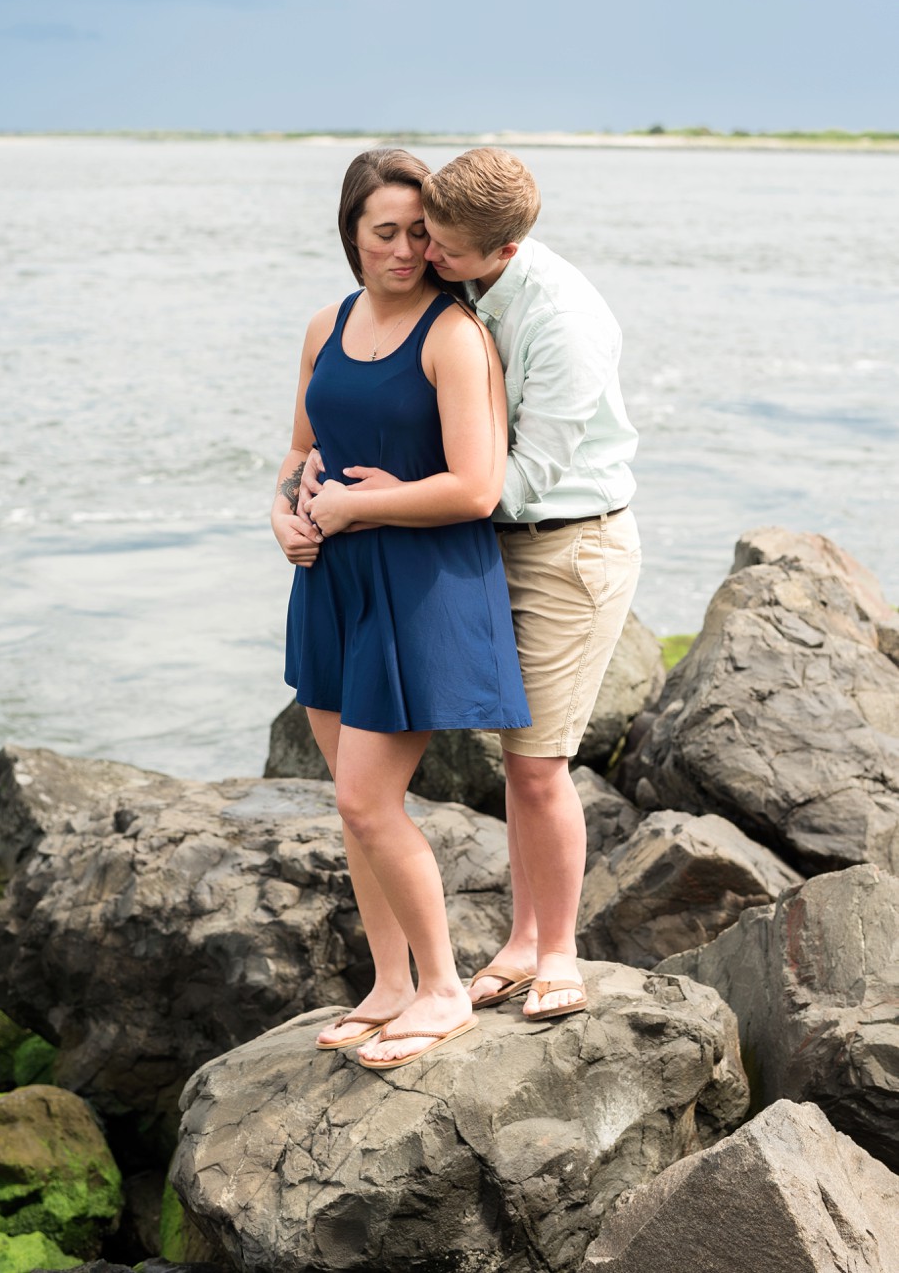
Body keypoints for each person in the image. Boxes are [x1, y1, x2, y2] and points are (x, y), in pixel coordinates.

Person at [304, 148, 640, 1023]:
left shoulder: (557, 323)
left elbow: (501, 484)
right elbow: (316, 438)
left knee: (535, 766)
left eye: (438, 243)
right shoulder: (450, 293)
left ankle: (556, 950)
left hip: (566, 545)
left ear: (501, 249)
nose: (423, 256)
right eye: (405, 233)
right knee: (507, 767)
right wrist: (303, 507)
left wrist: (374, 506)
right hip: (473, 548)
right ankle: (518, 942)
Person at [271, 148, 530, 1069]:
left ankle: (444, 989)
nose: (406, 250)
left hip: (423, 588)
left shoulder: (454, 337)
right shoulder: (324, 326)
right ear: (351, 232)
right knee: (355, 811)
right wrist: (284, 516)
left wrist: (356, 506)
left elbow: (475, 486)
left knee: (366, 798)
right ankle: (388, 984)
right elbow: (299, 456)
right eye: (385, 232)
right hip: (333, 583)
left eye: (421, 233)